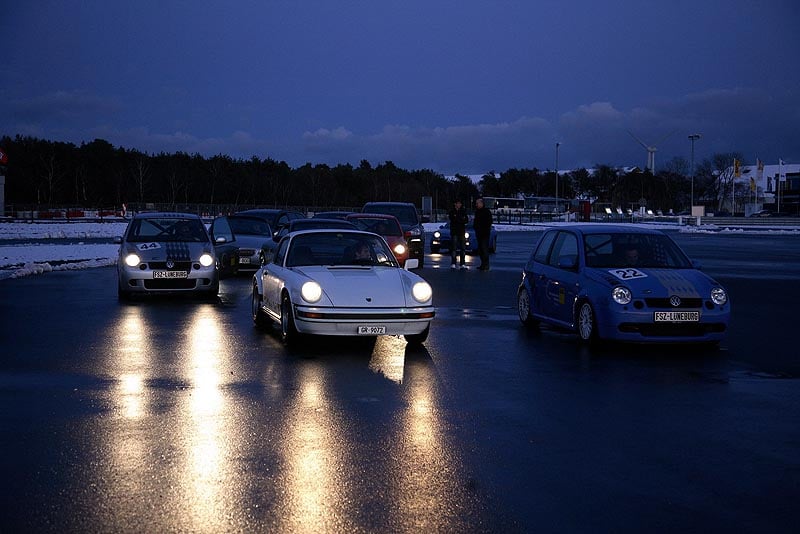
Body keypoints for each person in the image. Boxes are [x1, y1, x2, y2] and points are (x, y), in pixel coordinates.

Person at [448, 199, 468, 269]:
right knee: (454, 248)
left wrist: (458, 219)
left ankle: (462, 263)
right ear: (455, 204)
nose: (459, 205)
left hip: (461, 232)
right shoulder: (452, 212)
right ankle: (453, 263)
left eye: (460, 203)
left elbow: (466, 220)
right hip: (454, 232)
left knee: (463, 248)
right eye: (458, 203)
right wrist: (460, 219)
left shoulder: (463, 211)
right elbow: (453, 219)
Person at [473, 198, 493, 271]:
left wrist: (485, 229)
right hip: (479, 233)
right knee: (481, 249)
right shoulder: (477, 212)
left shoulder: (486, 212)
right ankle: (483, 264)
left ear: (481, 203)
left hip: (484, 233)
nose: (476, 205)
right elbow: (475, 221)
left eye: (477, 203)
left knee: (484, 249)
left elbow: (489, 222)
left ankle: (486, 264)